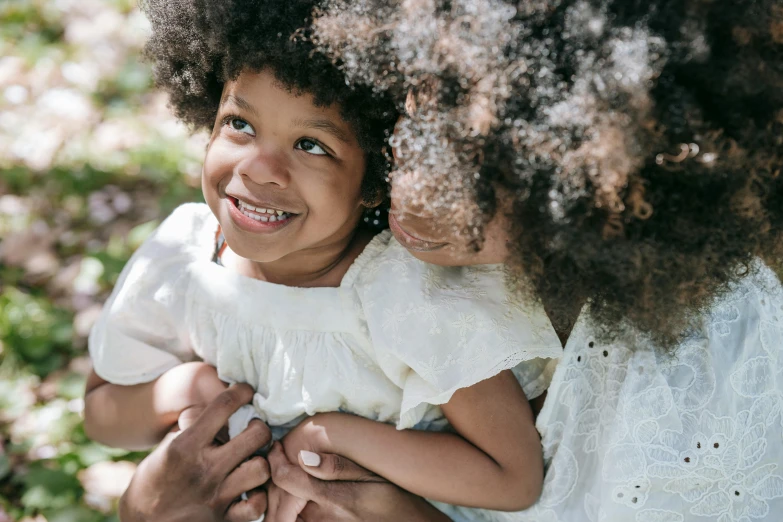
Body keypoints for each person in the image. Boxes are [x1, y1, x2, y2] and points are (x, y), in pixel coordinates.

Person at [117, 0, 783, 521]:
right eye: (415, 120)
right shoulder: (322, 241)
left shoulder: (706, 351)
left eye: (492, 168)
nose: (418, 198)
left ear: (610, 180)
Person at [83, 0, 564, 519]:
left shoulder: (412, 298)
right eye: (240, 123)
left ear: (377, 181)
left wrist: (334, 436)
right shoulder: (183, 258)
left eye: (311, 144)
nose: (261, 169)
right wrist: (187, 389)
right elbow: (101, 414)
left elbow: (513, 477)